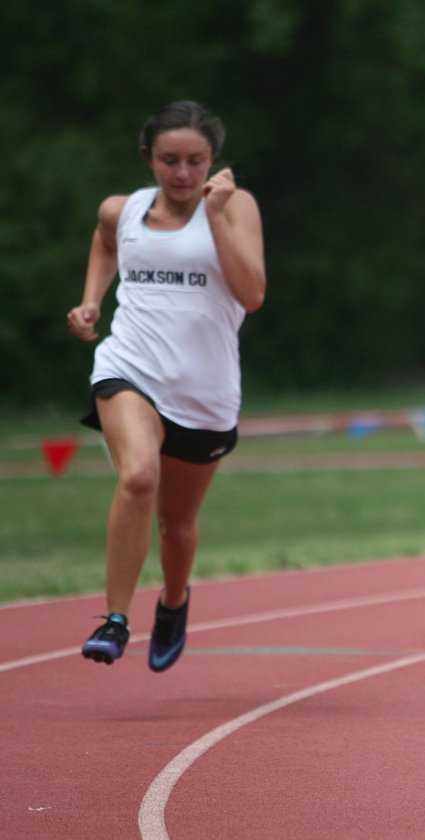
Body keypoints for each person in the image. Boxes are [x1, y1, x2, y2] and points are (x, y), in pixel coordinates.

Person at [67, 100, 266, 672]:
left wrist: (219, 216)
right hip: (129, 365)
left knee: (176, 525)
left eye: (195, 161)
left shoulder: (235, 207)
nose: (182, 174)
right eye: (169, 160)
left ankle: (174, 602)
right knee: (138, 477)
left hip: (204, 390)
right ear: (148, 159)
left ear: (213, 161)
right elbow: (105, 242)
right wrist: (90, 301)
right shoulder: (120, 210)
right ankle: (114, 619)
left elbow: (252, 295)